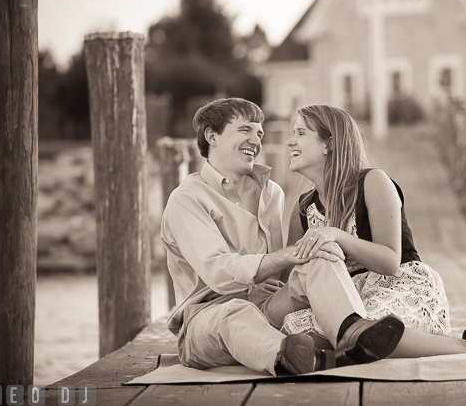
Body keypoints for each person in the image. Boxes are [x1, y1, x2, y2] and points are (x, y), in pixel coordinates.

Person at [160, 98, 408, 377]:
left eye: (259, 133)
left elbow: (286, 273)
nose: (256, 139)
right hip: (207, 317)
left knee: (318, 255)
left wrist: (313, 255)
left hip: (266, 305)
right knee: (234, 315)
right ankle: (294, 357)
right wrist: (290, 254)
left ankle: (351, 330)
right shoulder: (188, 199)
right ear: (211, 135)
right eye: (245, 130)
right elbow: (219, 273)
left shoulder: (271, 193)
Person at [283, 104, 466, 356]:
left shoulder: (372, 182)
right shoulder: (302, 210)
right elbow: (291, 281)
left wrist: (338, 236)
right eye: (292, 133)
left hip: (398, 284)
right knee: (292, 328)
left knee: (369, 332)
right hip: (346, 299)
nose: (290, 141)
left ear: (328, 143)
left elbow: (390, 261)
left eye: (301, 133)